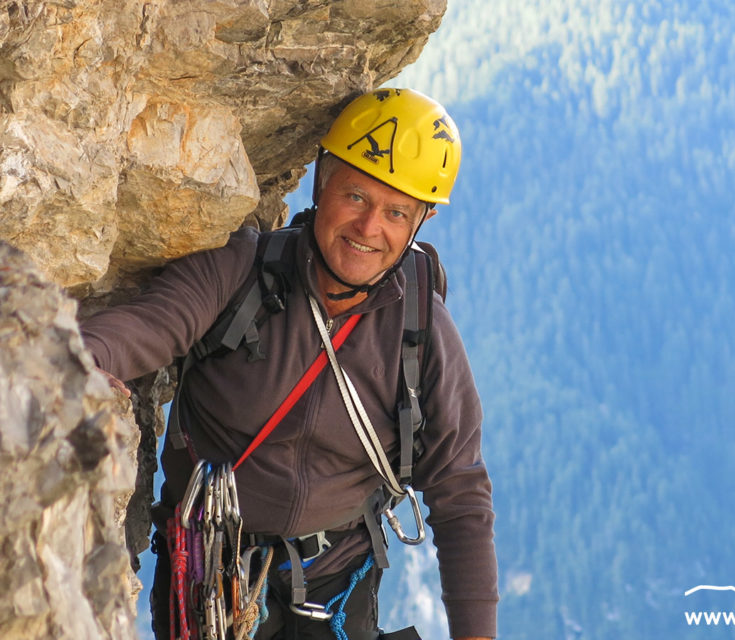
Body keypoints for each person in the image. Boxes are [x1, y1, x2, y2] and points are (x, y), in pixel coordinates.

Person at [80, 88, 498, 640]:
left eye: (396, 211)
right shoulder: (238, 275)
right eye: (355, 195)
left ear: (419, 222)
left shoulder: (422, 331)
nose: (370, 227)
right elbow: (141, 330)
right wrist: (68, 361)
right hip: (210, 577)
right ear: (323, 182)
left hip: (336, 588)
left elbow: (460, 496)